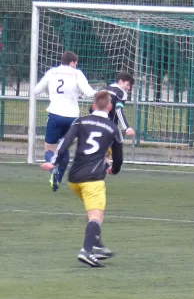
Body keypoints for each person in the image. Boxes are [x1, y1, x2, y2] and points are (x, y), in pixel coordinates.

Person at [40, 90, 124, 268]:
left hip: (74, 179)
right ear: (110, 107)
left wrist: (53, 162)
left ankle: (98, 246)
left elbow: (65, 142)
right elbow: (119, 157)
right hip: (93, 180)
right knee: (96, 216)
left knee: (91, 212)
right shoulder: (113, 128)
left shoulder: (81, 121)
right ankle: (86, 251)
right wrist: (113, 170)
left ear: (93, 105)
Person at [33, 51, 96, 192]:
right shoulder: (76, 73)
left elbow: (36, 90)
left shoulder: (51, 72)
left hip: (55, 115)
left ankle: (53, 170)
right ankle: (57, 180)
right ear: (72, 62)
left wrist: (51, 93)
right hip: (72, 117)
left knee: (49, 148)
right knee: (64, 148)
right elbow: (88, 92)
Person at [104, 71, 136, 137]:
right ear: (121, 81)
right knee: (116, 144)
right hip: (109, 125)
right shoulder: (121, 93)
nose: (129, 88)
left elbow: (91, 109)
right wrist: (126, 128)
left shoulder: (103, 90)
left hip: (94, 123)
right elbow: (118, 109)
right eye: (127, 84)